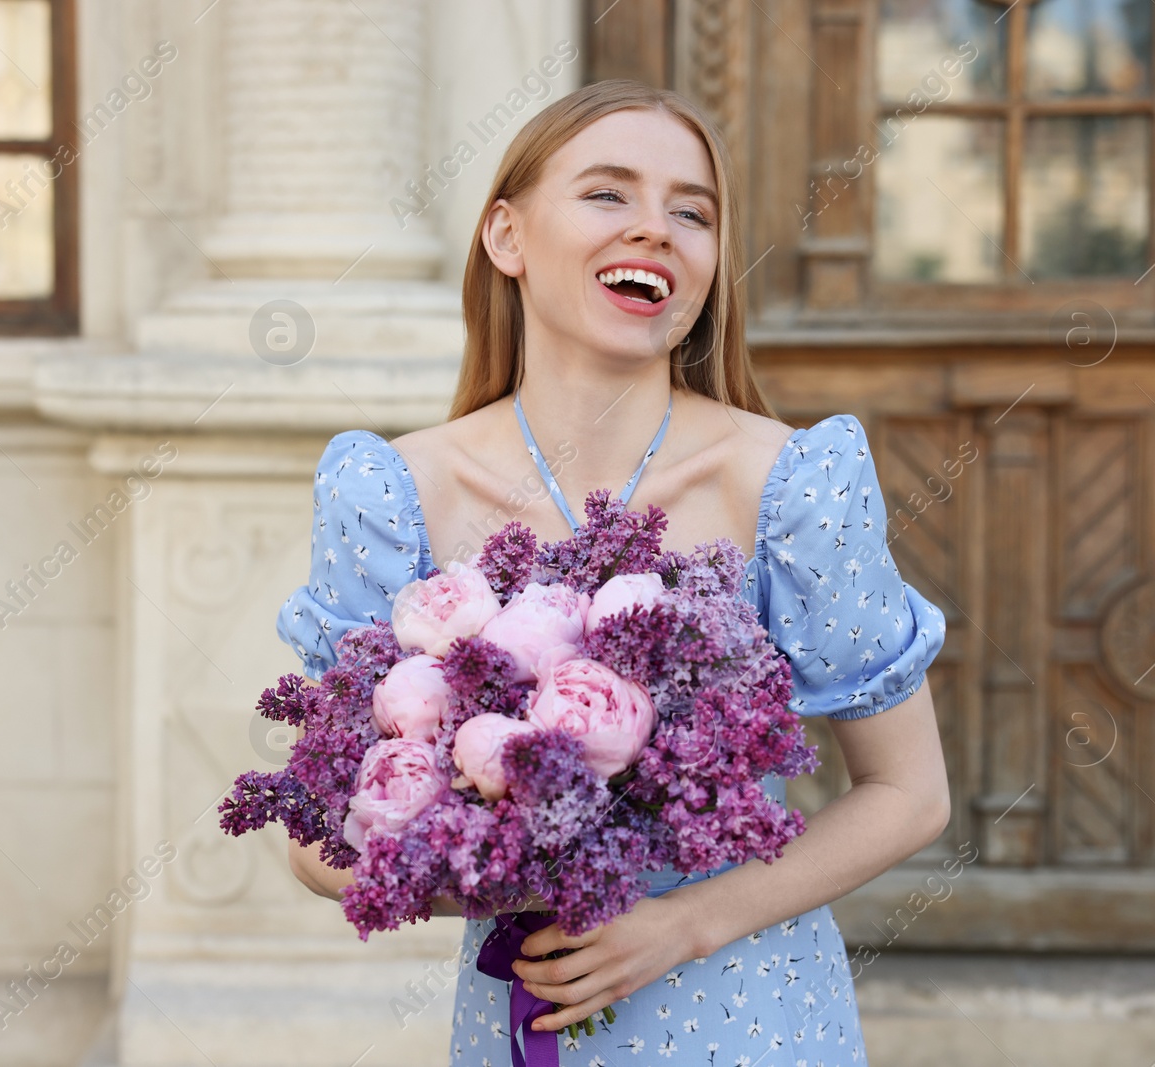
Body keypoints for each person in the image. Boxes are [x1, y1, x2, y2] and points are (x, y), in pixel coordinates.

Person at [278, 78, 951, 1066]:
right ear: (506, 236)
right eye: (608, 193)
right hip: (529, 1015)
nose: (657, 228)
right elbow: (315, 837)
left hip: (752, 1015)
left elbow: (909, 791)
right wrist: (506, 860)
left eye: (692, 211)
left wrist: (684, 920)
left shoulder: (790, 481)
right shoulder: (392, 491)